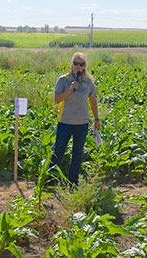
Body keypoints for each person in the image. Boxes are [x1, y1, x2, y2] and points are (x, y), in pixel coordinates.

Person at [48, 52, 100, 186]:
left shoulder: (88, 81)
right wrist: (70, 90)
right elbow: (56, 99)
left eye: (81, 64)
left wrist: (96, 119)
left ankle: (73, 183)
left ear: (84, 66)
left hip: (82, 123)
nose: (78, 66)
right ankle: (50, 181)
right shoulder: (63, 79)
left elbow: (92, 100)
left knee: (77, 153)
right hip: (65, 122)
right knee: (58, 151)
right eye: (76, 63)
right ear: (72, 64)